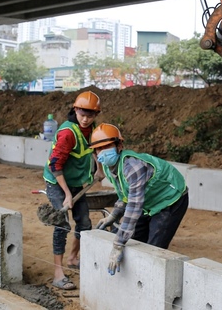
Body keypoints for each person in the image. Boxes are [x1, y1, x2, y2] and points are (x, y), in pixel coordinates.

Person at [90, 123, 188, 276]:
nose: (103, 152)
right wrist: (114, 214)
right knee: (126, 236)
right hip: (147, 201)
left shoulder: (133, 167)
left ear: (119, 145)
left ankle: (151, 283)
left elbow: (134, 206)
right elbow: (125, 195)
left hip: (169, 199)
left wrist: (117, 246)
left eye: (107, 146)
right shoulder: (111, 169)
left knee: (153, 250)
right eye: (99, 149)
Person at [42, 90, 101, 290]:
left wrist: (99, 170)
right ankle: (58, 273)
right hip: (57, 183)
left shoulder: (93, 130)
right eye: (82, 114)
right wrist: (67, 195)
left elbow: (94, 150)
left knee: (84, 222)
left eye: (90, 115)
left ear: (95, 115)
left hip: (76, 182)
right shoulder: (67, 133)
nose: (85, 119)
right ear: (75, 109)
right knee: (62, 224)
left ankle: (73, 258)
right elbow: (55, 166)